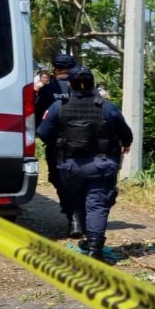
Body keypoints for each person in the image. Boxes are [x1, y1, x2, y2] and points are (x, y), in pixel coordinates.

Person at [37, 66, 132, 261]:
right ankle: (95, 249)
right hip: (102, 166)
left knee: (78, 201)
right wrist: (126, 144)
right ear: (92, 85)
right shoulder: (107, 107)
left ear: (70, 85)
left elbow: (43, 133)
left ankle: (84, 234)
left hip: (70, 166)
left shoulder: (58, 106)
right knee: (97, 205)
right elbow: (126, 134)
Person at [34, 54, 77, 235]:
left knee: (59, 179)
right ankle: (79, 217)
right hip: (85, 145)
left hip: (56, 145)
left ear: (54, 69)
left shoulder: (47, 90)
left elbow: (37, 118)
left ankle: (73, 217)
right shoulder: (83, 87)